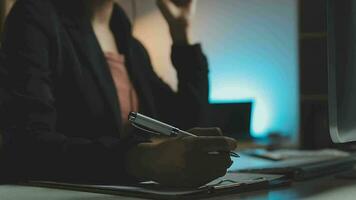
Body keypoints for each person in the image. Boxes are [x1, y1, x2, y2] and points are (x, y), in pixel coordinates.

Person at [0, 0, 237, 187]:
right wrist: (141, 159)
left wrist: (180, 31)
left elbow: (187, 127)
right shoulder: (34, 18)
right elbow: (27, 146)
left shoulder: (130, 46)